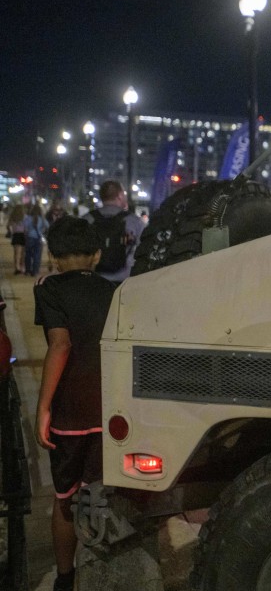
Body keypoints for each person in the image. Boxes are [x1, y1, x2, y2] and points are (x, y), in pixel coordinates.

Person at [33, 216, 117, 591]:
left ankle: (66, 579)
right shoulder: (117, 290)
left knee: (65, 498)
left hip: (69, 413)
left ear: (53, 254)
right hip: (109, 408)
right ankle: (103, 571)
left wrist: (44, 407)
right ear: (97, 255)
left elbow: (60, 344)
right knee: (99, 493)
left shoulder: (50, 288)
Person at [83, 180, 145, 283]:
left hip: (94, 279)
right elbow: (142, 251)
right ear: (120, 196)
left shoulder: (87, 219)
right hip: (125, 280)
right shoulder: (134, 221)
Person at [23, 203, 49, 277]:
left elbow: (25, 229)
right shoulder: (42, 219)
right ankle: (35, 271)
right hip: (39, 238)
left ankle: (27, 270)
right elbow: (47, 226)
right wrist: (42, 231)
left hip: (30, 237)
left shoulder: (28, 218)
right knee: (37, 256)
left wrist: (26, 236)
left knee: (28, 255)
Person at [7, 204, 27, 275]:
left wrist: (11, 230)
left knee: (16, 253)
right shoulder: (25, 217)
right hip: (23, 235)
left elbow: (8, 225)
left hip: (16, 235)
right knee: (23, 253)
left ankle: (17, 267)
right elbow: (26, 227)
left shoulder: (12, 217)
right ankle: (22, 268)